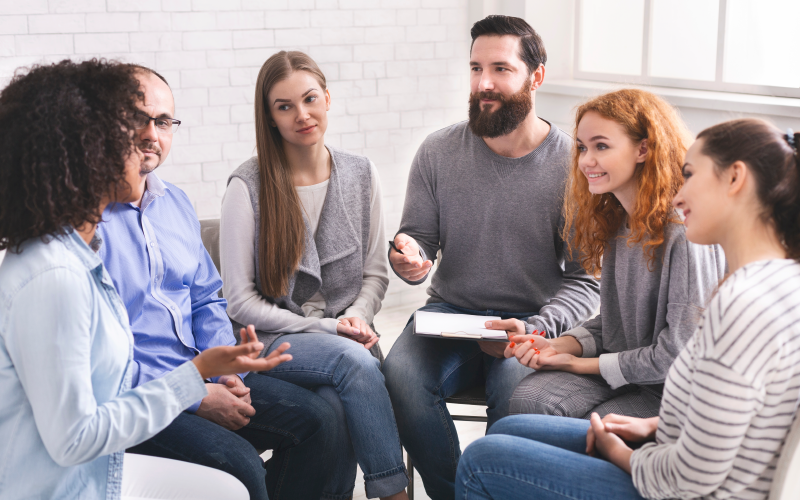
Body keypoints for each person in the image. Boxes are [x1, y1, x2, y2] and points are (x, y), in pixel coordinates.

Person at [455, 117, 800, 499]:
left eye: (690, 175)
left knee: (482, 458)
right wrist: (653, 427)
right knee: (510, 429)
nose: (679, 195)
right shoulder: (778, 280)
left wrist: (620, 453)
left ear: (735, 178)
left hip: (685, 488)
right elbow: (730, 417)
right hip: (675, 449)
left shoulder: (741, 305)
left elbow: (686, 481)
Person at [0, 59, 291, 500]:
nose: (145, 144)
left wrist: (208, 370)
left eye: (158, 124)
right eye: (124, 132)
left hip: (102, 466)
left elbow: (202, 300)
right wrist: (193, 378)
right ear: (79, 155)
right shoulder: (56, 276)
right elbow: (76, 439)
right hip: (75, 484)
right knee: (236, 478)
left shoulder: (79, 254)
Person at [381, 15, 600, 499]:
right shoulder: (437, 151)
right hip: (449, 315)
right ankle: (458, 493)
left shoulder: (573, 167)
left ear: (536, 76)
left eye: (501, 68)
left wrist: (540, 326)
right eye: (476, 67)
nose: (484, 83)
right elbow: (417, 240)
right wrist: (409, 259)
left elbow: (588, 280)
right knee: (398, 374)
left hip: (529, 322)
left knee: (520, 395)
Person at [95, 65, 338, 500]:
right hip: (138, 399)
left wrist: (224, 370)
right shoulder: (84, 224)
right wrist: (195, 393)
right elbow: (101, 361)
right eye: (138, 118)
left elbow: (207, 298)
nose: (153, 133)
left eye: (164, 121)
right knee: (239, 465)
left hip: (203, 372)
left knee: (321, 421)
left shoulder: (176, 204)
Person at [220, 50, 408, 500]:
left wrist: (359, 318)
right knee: (352, 360)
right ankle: (394, 493)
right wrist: (330, 328)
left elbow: (375, 274)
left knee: (335, 406)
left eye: (309, 99)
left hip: (348, 336)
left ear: (327, 97)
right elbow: (239, 303)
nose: (301, 115)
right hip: (272, 340)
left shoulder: (362, 173)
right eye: (284, 107)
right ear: (269, 117)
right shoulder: (246, 186)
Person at [487, 89, 725, 419]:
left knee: (581, 425)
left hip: (675, 392)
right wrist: (556, 345)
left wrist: (579, 363)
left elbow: (678, 354)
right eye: (583, 147)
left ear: (643, 149)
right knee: (528, 398)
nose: (585, 160)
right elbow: (616, 327)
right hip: (629, 374)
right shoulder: (617, 221)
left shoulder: (684, 231)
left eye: (601, 146)